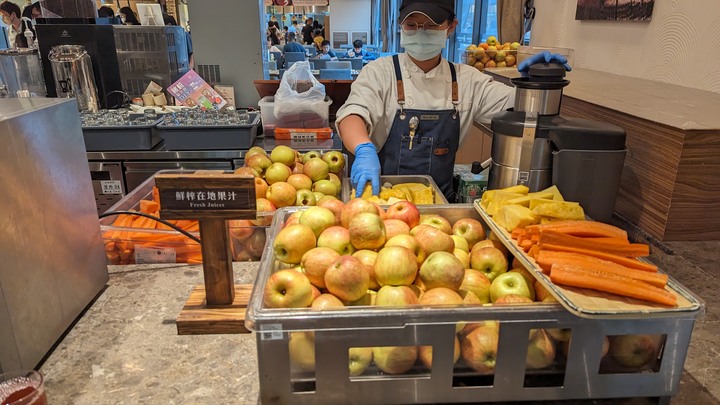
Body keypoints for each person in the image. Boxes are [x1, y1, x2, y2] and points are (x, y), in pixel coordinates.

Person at [336, 0, 570, 200]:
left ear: (451, 27)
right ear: (401, 26)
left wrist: (537, 84)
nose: (421, 32)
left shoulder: (468, 80)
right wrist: (364, 149)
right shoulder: (380, 72)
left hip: (439, 204)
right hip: (380, 198)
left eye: (431, 25)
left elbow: (519, 106)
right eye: (412, 25)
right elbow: (352, 113)